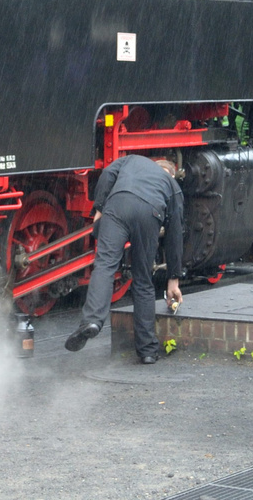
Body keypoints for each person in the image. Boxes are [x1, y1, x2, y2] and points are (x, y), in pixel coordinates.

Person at [64, 154, 185, 363]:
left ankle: (92, 321)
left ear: (155, 164)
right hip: (150, 212)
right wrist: (173, 279)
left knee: (104, 267)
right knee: (143, 280)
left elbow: (108, 173)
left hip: (118, 204)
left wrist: (100, 208)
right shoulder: (172, 186)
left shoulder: (132, 160)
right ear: (171, 173)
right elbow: (175, 234)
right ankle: (147, 350)